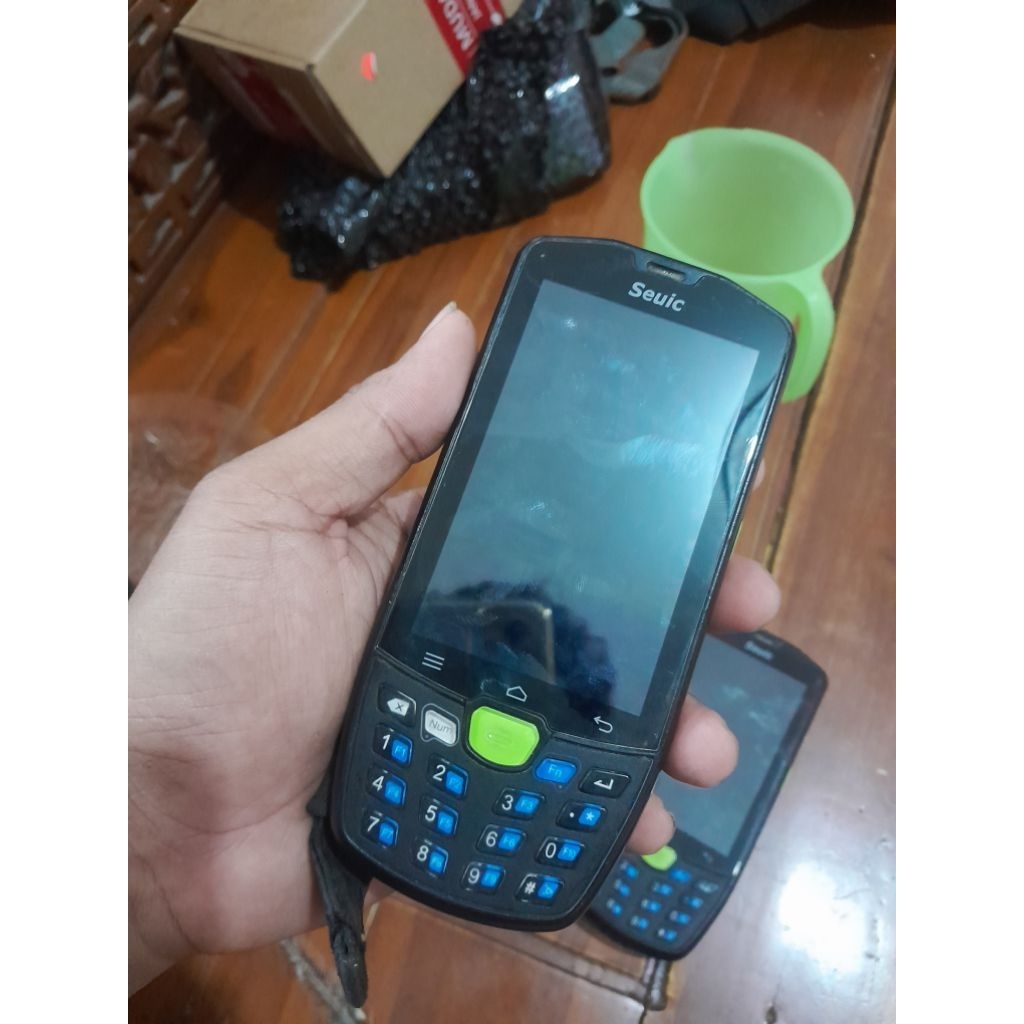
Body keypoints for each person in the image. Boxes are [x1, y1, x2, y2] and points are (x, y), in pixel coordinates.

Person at [128, 304, 780, 994]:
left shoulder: (640, 474)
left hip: (518, 676)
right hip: (460, 659)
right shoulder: (530, 469)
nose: (600, 405)